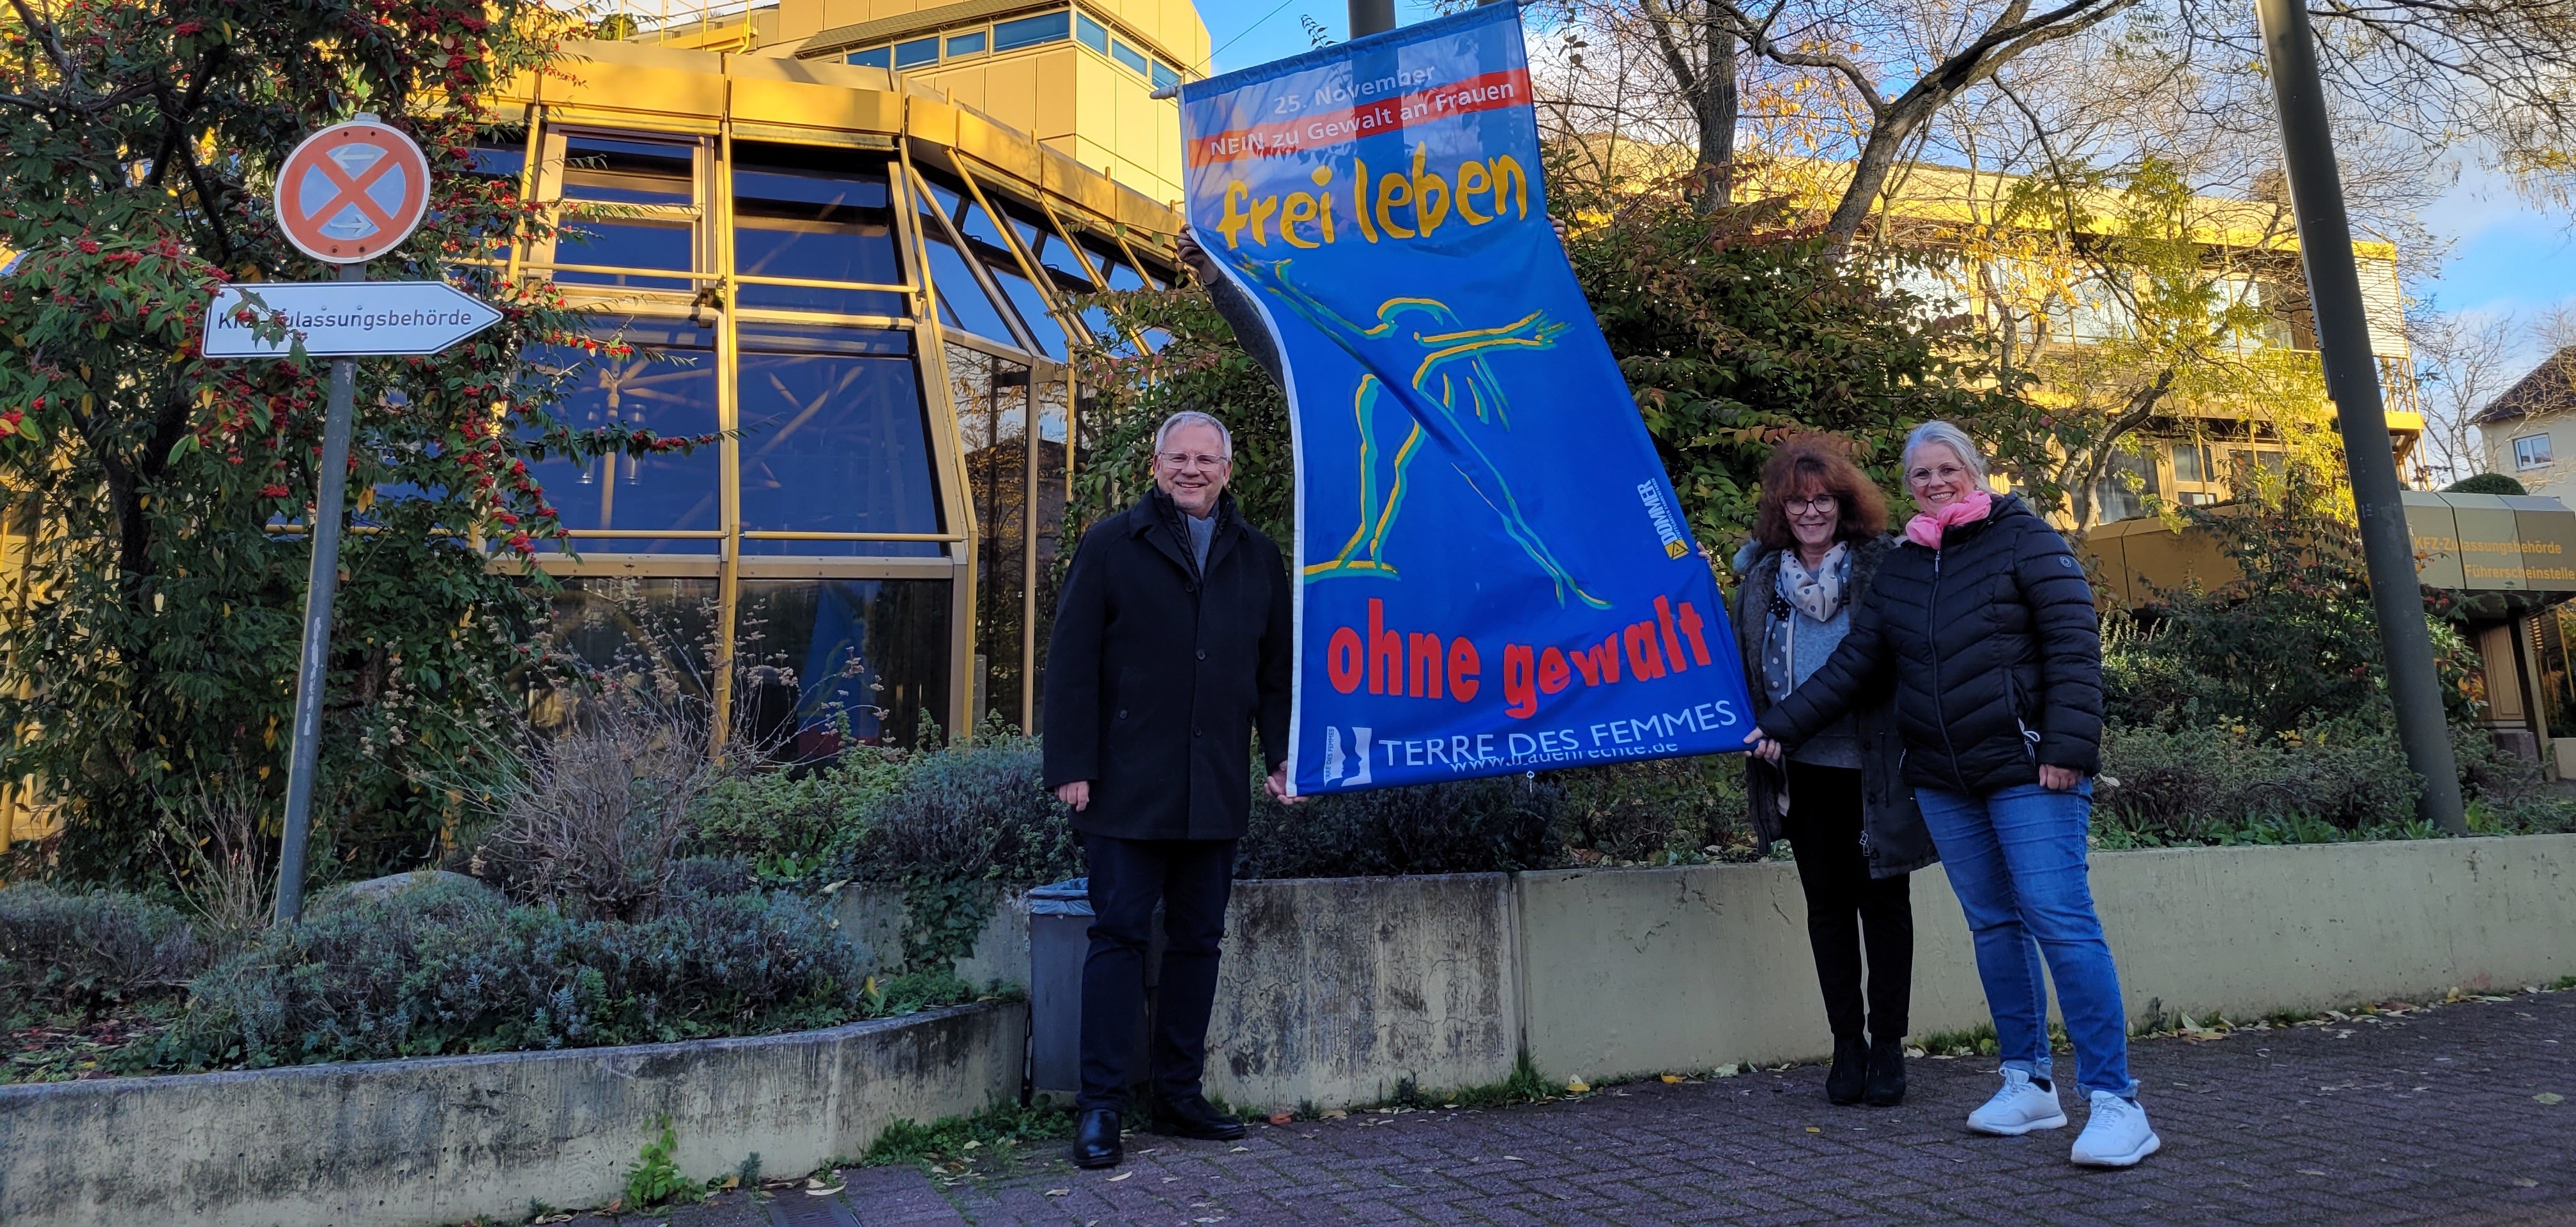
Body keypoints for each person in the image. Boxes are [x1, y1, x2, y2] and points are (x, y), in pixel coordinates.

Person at [1746, 421, 2159, 1168]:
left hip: (2030, 767)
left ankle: (2115, 1100)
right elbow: (1855, 665)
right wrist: (1779, 725)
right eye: (1921, 476)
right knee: (1995, 926)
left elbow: (2074, 643)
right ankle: (2028, 1082)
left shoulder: (2024, 538)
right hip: (1943, 777)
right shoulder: (1907, 564)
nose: (1935, 485)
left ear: (1976, 470)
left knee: (2059, 920)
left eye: (1947, 471)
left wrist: (2068, 750)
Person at [1041, 408, 1297, 1171]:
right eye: (1178, 458)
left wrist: (1281, 758)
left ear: (1226, 471)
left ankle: (1179, 1096)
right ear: (1155, 466)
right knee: (1117, 939)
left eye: (1205, 460)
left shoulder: (1259, 557)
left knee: (1198, 942)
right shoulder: (1111, 544)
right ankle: (1101, 1109)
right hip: (1124, 787)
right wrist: (1071, 764)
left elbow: (1275, 676)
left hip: (1214, 784)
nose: (1192, 470)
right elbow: (1071, 663)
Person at [1729, 437, 1932, 1108]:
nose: (1810, 512)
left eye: (1822, 500)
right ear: (1780, 509)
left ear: (1843, 505)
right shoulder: (1760, 575)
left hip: (1876, 767)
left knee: (1885, 906)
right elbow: (1741, 666)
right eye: (1797, 501)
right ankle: (1847, 1045)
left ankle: (1889, 1047)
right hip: (1802, 771)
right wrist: (1759, 728)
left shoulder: (1887, 565)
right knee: (1827, 910)